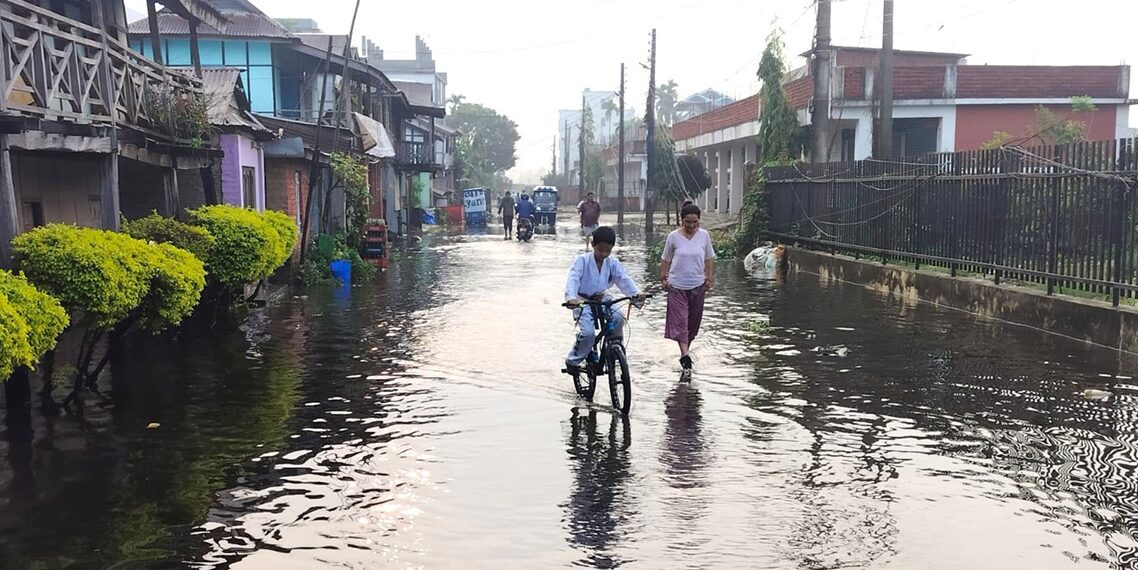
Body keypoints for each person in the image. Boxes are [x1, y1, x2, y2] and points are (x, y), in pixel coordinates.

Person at [564, 226, 644, 373]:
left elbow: (623, 278)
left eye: (608, 251)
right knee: (588, 334)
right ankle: (573, 360)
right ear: (593, 245)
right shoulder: (582, 261)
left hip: (603, 298)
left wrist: (635, 294)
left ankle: (614, 347)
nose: (603, 254)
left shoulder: (612, 263)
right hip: (583, 300)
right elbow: (573, 278)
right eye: (600, 250)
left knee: (619, 317)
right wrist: (571, 298)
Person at [659, 202, 715, 380]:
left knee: (692, 324)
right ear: (681, 220)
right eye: (688, 222)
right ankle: (685, 355)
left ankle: (686, 353)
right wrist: (663, 278)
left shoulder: (704, 236)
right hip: (676, 286)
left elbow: (708, 258)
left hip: (698, 285)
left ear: (699, 221)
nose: (691, 226)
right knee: (680, 322)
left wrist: (709, 277)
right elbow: (666, 259)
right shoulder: (673, 237)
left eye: (695, 222)